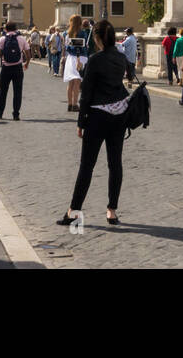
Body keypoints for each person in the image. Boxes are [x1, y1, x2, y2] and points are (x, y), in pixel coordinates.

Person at [58, 20, 129, 227]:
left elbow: (86, 94)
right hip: (119, 115)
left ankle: (74, 211)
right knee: (115, 164)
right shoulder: (121, 57)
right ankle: (112, 211)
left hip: (97, 117)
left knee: (87, 166)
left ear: (97, 39)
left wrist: (81, 122)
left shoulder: (95, 60)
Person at [0, 24, 32, 120]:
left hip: (6, 68)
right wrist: (27, 63)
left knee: (2, 91)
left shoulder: (2, 39)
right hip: (17, 68)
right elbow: (28, 54)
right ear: (16, 29)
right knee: (17, 92)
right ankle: (16, 114)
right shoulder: (22, 39)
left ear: (5, 29)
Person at [62, 14, 89, 112]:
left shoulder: (66, 33)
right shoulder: (82, 33)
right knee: (77, 82)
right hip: (80, 58)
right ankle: (75, 104)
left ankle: (69, 104)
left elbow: (67, 46)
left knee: (71, 83)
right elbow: (80, 47)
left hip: (70, 58)